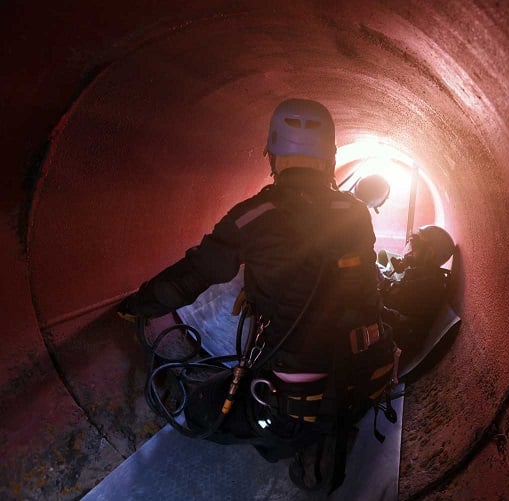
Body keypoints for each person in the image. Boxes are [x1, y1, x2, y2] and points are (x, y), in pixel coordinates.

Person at [118, 98, 395, 492]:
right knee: (323, 405)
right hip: (364, 373)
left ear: (273, 154)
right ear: (329, 157)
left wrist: (139, 305)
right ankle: (325, 432)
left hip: (292, 387)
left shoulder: (253, 215)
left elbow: (194, 275)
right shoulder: (354, 212)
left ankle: (295, 438)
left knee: (202, 409)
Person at [378, 225, 455, 371]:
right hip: (391, 325)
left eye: (415, 243)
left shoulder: (429, 283)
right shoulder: (422, 275)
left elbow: (390, 295)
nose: (410, 246)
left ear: (430, 253)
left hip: (394, 339)